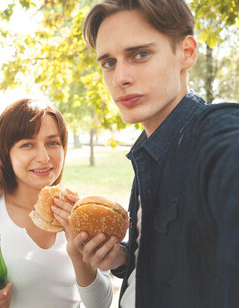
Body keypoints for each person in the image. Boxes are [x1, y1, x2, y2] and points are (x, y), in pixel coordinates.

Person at [52, 0, 239, 307]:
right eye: (109, 63)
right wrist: (123, 256)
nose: (119, 78)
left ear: (187, 53)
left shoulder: (216, 135)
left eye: (140, 54)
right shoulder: (150, 153)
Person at [0, 98, 113, 308]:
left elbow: (101, 304)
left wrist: (80, 256)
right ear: (6, 153)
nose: (44, 157)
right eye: (27, 144)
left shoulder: (83, 214)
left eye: (53, 142)